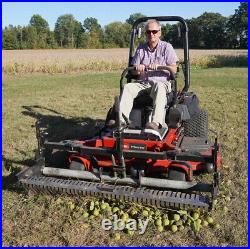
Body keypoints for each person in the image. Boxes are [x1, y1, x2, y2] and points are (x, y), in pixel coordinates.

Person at [108, 19, 179, 132]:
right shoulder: (141, 48)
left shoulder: (166, 47)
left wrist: (160, 66)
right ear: (145, 33)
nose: (151, 34)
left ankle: (156, 123)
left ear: (159, 32)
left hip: (161, 83)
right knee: (128, 87)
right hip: (143, 83)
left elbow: (174, 69)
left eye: (154, 31)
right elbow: (133, 71)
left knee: (159, 87)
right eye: (148, 32)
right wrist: (138, 69)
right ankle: (121, 120)